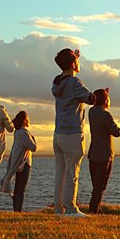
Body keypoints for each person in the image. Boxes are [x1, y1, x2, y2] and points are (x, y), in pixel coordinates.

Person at [52, 48, 96, 217]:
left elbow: (67, 76)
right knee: (72, 173)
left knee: (60, 173)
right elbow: (91, 99)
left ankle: (59, 209)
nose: (79, 63)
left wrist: (73, 57)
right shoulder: (74, 83)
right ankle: (70, 209)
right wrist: (101, 94)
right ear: (72, 64)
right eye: (77, 60)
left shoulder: (57, 83)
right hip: (72, 135)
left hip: (58, 134)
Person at [87, 88, 120, 214]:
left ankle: (96, 208)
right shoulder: (105, 114)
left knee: (96, 185)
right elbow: (116, 132)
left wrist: (104, 92)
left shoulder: (91, 112)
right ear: (106, 100)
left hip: (93, 154)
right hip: (104, 155)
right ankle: (94, 209)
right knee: (101, 186)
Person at [0, 111, 37, 212]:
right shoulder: (25, 134)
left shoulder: (17, 132)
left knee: (17, 189)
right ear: (25, 120)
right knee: (21, 189)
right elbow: (33, 147)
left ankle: (16, 209)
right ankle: (18, 210)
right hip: (24, 164)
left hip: (17, 163)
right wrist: (33, 138)